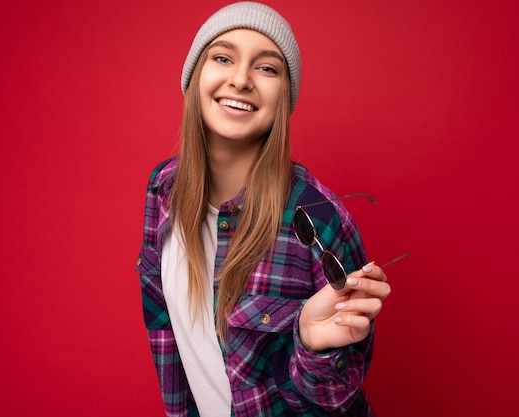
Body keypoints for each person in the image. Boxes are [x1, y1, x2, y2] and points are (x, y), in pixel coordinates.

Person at [136, 2, 392, 416]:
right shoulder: (163, 190)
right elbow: (166, 333)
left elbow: (336, 399)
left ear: (283, 97)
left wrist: (310, 344)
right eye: (223, 57)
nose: (240, 79)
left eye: (267, 68)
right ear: (195, 76)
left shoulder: (320, 220)